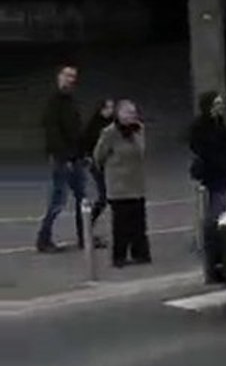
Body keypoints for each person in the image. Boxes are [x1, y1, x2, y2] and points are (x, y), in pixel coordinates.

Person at [36, 65, 86, 253]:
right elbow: (53, 132)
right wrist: (63, 156)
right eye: (67, 75)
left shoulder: (70, 101)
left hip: (74, 157)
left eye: (73, 76)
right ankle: (44, 238)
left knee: (82, 199)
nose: (70, 79)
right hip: (62, 159)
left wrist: (81, 154)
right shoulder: (54, 102)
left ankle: (85, 236)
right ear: (59, 77)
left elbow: (76, 129)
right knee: (59, 200)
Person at [94, 100, 150, 268]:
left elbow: (142, 151)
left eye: (133, 113)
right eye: (127, 113)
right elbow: (99, 155)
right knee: (121, 224)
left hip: (136, 184)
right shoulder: (109, 133)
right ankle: (119, 257)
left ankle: (140, 253)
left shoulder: (139, 130)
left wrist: (136, 133)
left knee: (139, 223)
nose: (131, 116)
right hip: (118, 185)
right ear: (118, 114)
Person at [189, 91, 226, 280]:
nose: (219, 106)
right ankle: (213, 260)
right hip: (212, 176)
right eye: (216, 103)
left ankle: (220, 257)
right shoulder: (202, 127)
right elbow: (201, 148)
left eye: (220, 103)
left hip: (223, 175)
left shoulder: (220, 123)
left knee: (220, 213)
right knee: (214, 217)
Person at [82, 99, 115, 247]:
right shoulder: (95, 126)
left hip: (110, 165)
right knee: (104, 197)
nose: (111, 110)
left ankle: (89, 227)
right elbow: (87, 142)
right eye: (108, 107)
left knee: (107, 197)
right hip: (98, 164)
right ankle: (88, 226)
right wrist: (89, 157)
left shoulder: (112, 124)